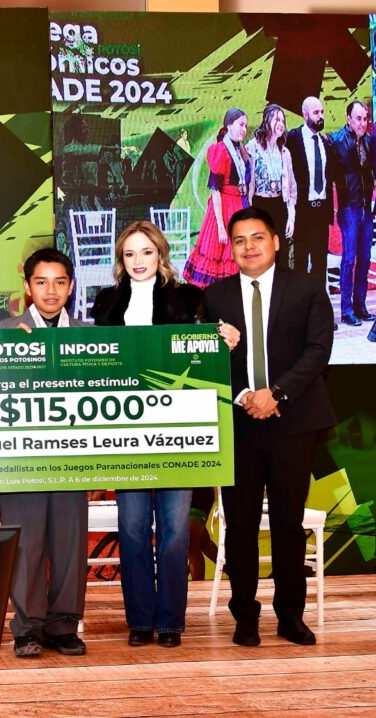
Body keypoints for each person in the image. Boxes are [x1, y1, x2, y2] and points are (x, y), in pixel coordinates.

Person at [91, 220, 236, 648]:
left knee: (174, 532)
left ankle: (171, 621)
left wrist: (225, 341)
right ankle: (139, 621)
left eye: (146, 251)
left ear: (161, 254)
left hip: (178, 432)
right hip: (124, 433)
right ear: (121, 259)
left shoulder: (190, 298)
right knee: (133, 531)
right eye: (130, 253)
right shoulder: (106, 303)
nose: (138, 261)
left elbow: (206, 361)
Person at [202, 206, 335, 647]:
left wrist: (275, 393)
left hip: (294, 422)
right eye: (239, 240)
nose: (249, 247)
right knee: (240, 525)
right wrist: (245, 395)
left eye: (257, 237)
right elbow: (206, 358)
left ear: (276, 241)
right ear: (231, 248)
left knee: (287, 523)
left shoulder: (307, 287)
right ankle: (244, 615)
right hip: (239, 425)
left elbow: (318, 350)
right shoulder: (215, 297)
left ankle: (290, 616)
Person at [0, 247, 89, 659]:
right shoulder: (2, 331)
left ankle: (64, 625)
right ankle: (27, 627)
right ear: (27, 287)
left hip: (73, 456)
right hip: (21, 458)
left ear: (70, 287)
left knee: (70, 543)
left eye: (59, 282)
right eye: (41, 282)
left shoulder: (89, 335)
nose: (51, 291)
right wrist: (9, 355)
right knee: (27, 544)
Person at [184, 109, 250, 288]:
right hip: (224, 207)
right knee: (220, 252)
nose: (244, 129)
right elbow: (215, 190)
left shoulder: (238, 149)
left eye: (245, 125)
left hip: (239, 204)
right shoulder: (220, 150)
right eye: (240, 124)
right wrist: (221, 225)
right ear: (229, 125)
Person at [330, 100, 375, 327]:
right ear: (348, 119)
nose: (362, 123)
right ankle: (346, 310)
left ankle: (360, 305)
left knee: (365, 257)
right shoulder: (338, 141)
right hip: (349, 206)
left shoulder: (369, 140)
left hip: (366, 207)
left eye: (365, 119)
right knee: (349, 258)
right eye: (358, 118)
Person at [286, 96, 335, 280]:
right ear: (305, 115)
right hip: (302, 211)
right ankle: (300, 298)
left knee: (320, 262)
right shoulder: (293, 139)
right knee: (300, 260)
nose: (321, 116)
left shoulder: (325, 143)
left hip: (321, 211)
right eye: (316, 113)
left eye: (321, 112)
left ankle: (318, 298)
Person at [246, 103, 297, 269]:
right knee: (259, 254)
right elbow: (245, 181)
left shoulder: (285, 153)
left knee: (279, 254)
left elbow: (292, 188)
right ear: (267, 120)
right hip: (259, 205)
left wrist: (291, 216)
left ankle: (279, 285)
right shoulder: (252, 148)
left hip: (279, 205)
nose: (281, 124)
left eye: (283, 120)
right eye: (277, 119)